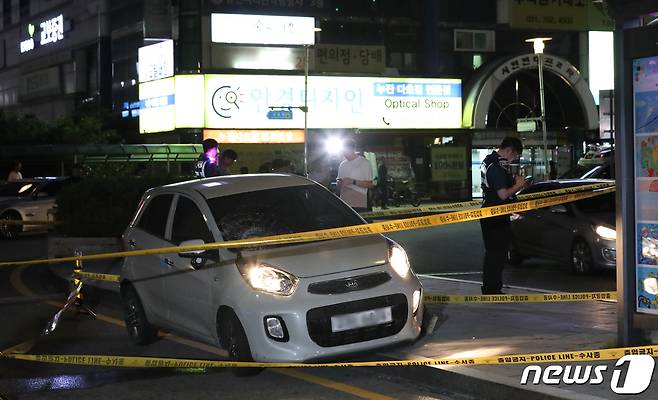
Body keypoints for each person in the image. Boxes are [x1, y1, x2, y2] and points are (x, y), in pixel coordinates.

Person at [480, 137, 526, 294]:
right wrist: (518, 186)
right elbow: (502, 194)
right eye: (514, 156)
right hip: (494, 216)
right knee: (496, 254)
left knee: (495, 253)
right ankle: (491, 290)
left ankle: (491, 288)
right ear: (509, 150)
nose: (513, 160)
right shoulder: (496, 167)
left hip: (493, 214)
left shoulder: (491, 162)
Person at [336, 139, 373, 212]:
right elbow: (338, 182)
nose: (343, 153)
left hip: (359, 202)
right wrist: (339, 183)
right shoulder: (342, 164)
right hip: (344, 201)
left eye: (345, 150)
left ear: (352, 149)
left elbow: (370, 184)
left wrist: (353, 181)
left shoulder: (364, 163)